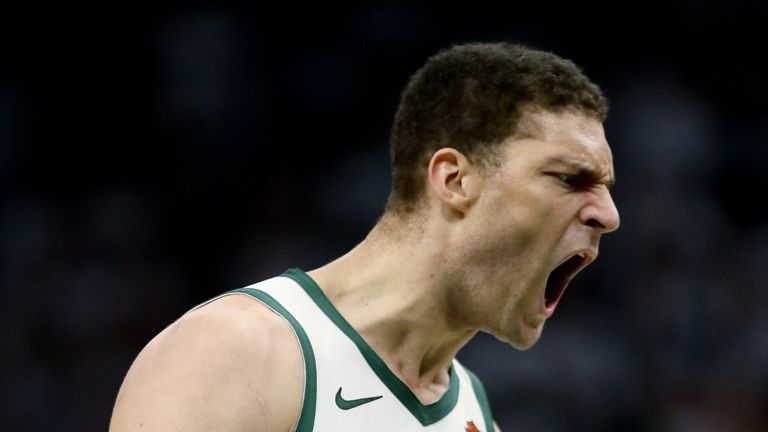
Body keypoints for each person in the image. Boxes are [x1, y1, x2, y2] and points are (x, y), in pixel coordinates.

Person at [109, 42, 620, 432]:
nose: (609, 215)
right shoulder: (237, 351)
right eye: (569, 179)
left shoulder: (470, 409)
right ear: (454, 180)